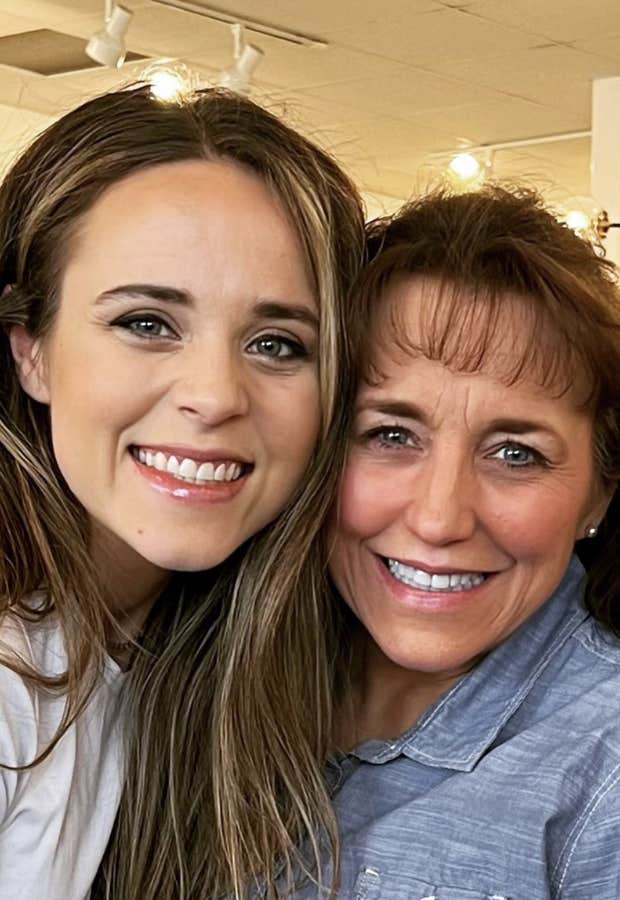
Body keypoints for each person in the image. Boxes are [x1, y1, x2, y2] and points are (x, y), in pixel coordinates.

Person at [0, 85, 364, 900]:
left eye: (277, 343)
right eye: (146, 323)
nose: (216, 394)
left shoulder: (193, 651)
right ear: (32, 353)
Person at [317, 186, 620, 899]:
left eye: (516, 453)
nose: (438, 518)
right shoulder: (203, 669)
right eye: (391, 435)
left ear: (600, 492)